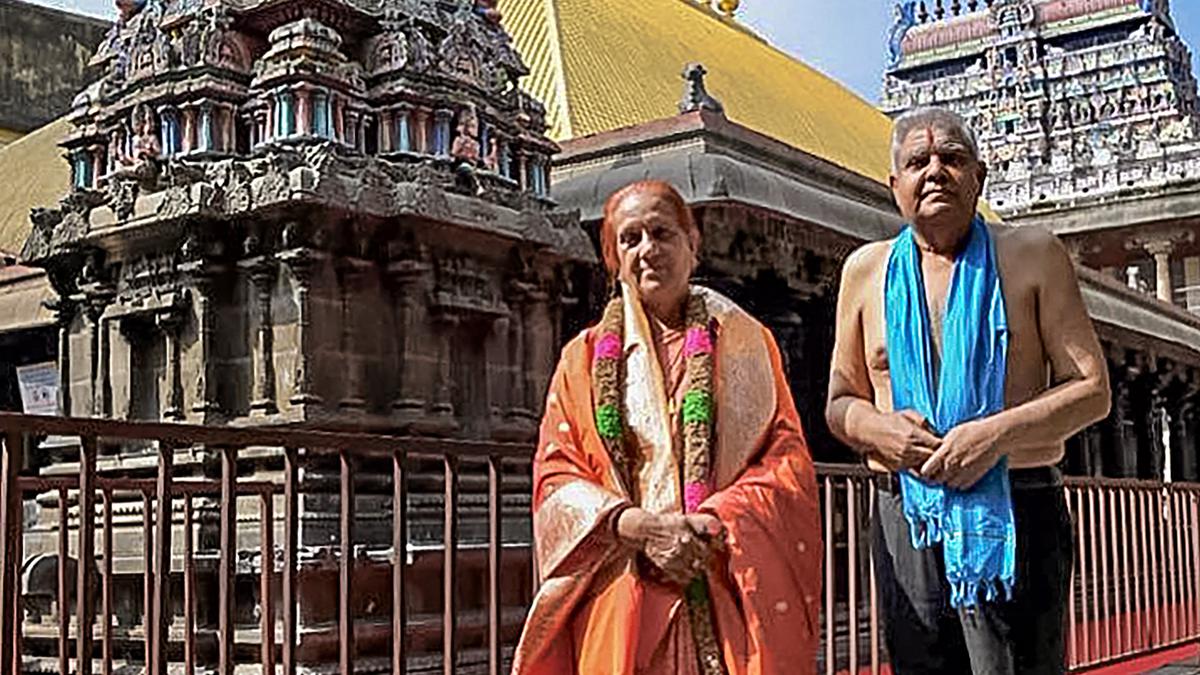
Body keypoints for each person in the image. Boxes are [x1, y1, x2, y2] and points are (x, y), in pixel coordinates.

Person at [826, 106, 1111, 675]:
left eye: (952, 159)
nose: (935, 171)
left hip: (1015, 505)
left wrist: (994, 434)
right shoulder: (865, 271)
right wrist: (880, 430)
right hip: (905, 512)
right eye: (917, 162)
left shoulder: (1032, 255)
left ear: (978, 178)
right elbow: (840, 401)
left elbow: (1093, 389)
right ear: (895, 185)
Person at [513, 180, 822, 675]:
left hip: (722, 576)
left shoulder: (745, 343)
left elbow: (786, 461)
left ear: (692, 245)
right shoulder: (583, 359)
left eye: (662, 233)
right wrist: (637, 526)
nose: (647, 250)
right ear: (613, 261)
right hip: (622, 591)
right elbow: (556, 478)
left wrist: (719, 519)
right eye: (630, 239)